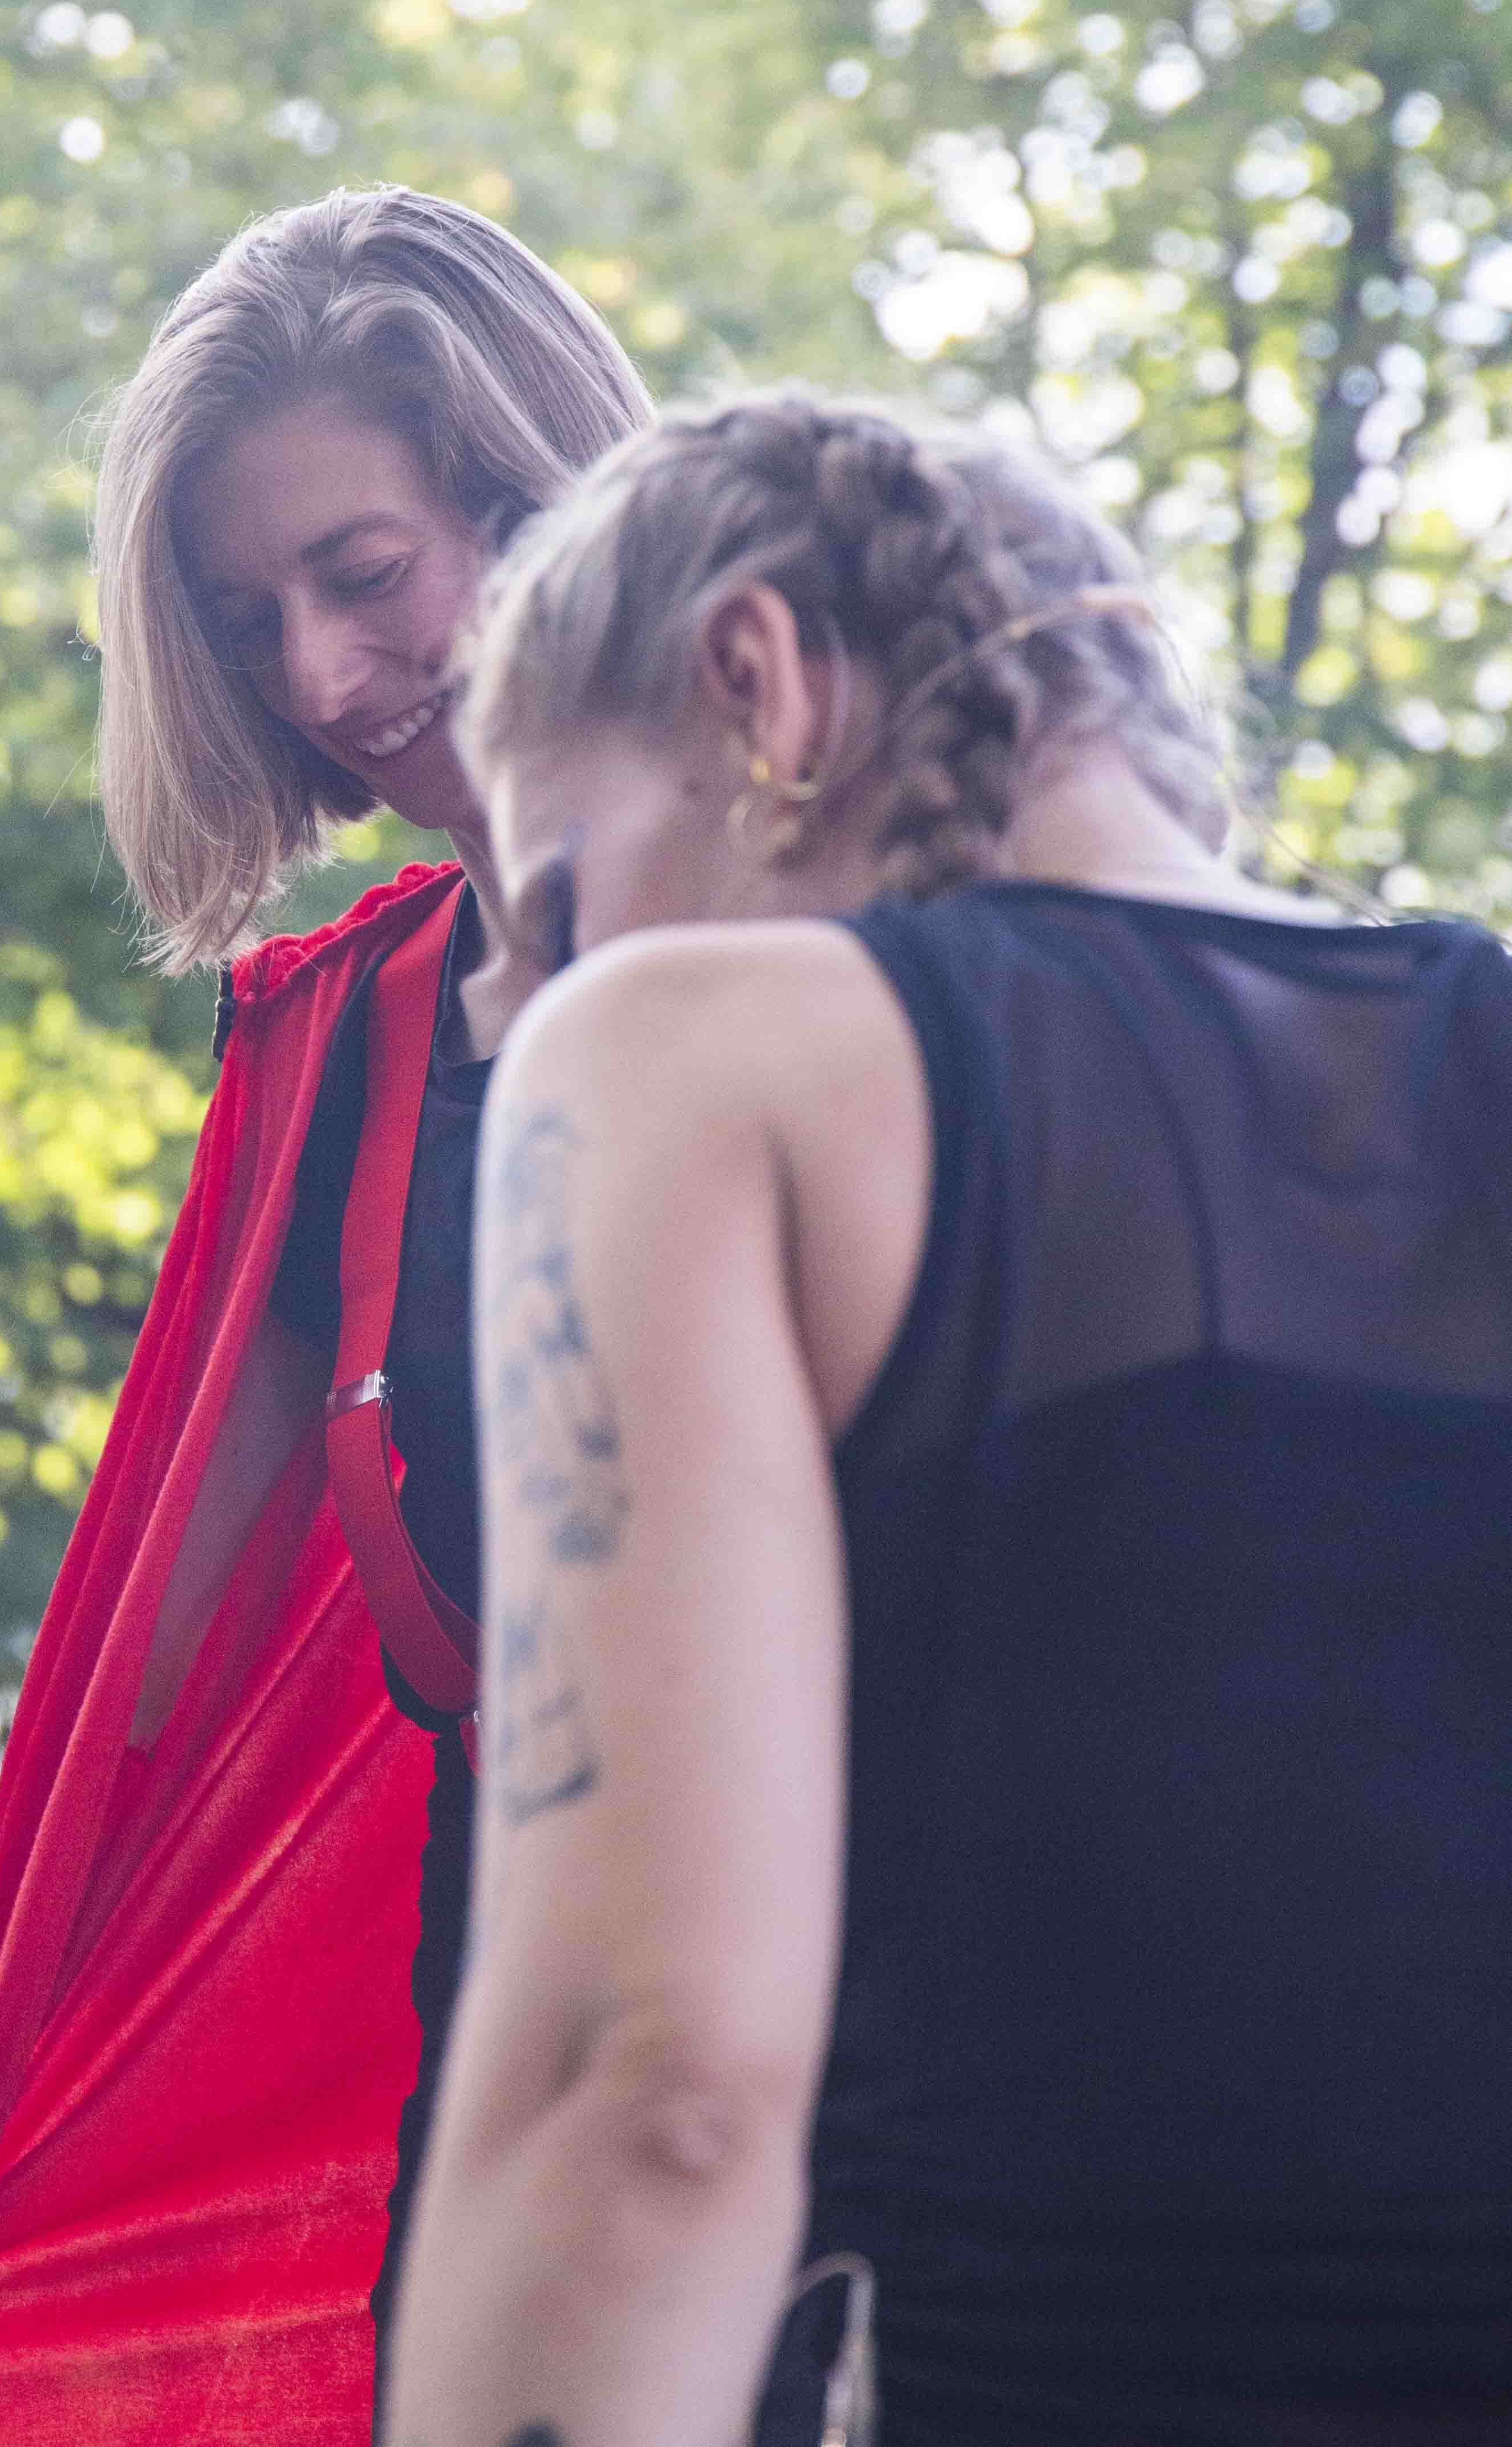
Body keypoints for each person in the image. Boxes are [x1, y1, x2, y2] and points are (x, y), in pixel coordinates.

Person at [390, 391, 1512, 2447]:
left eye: (551, 904)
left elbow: (649, 2091)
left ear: (757, 685)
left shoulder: (675, 1062)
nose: (525, 998)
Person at [0, 187, 652, 2447]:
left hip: (947, 2092)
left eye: (363, 574)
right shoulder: (347, 1060)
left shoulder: (906, 974)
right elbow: (123, 1692)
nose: (319, 680)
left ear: (546, 492)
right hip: (510, 2146)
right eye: (245, 619)